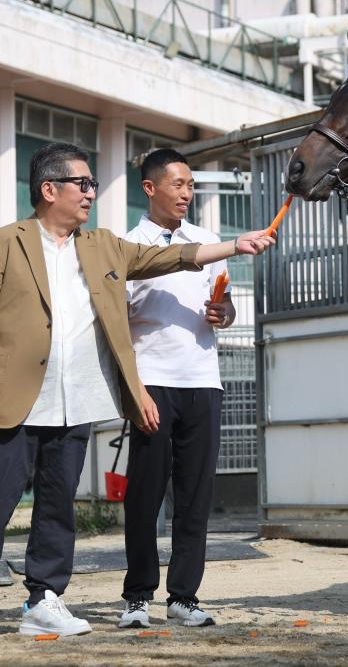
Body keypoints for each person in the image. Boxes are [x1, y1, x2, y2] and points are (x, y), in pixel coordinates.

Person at [0, 142, 274, 644]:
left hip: (76, 398)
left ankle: (43, 599)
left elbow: (172, 256)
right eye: (84, 184)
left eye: (93, 185)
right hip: (14, 396)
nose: (92, 193)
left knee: (58, 504)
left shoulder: (101, 246)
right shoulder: (4, 243)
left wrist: (235, 246)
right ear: (49, 189)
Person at [116, 149, 235, 629]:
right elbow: (117, 326)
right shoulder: (127, 247)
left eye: (190, 185)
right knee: (144, 496)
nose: (187, 192)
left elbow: (225, 311)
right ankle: (137, 597)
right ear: (151, 188)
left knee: (195, 496)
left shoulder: (208, 242)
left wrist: (224, 314)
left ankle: (183, 595)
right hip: (153, 386)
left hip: (204, 382)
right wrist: (134, 390)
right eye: (178, 184)